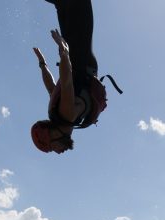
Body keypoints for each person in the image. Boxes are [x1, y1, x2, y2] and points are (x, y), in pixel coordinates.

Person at [31, 0, 99, 154]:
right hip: (79, 61)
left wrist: (48, 60)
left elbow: (59, 84)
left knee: (65, 5)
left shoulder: (64, 115)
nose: (57, 151)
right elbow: (61, 84)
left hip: (78, 61)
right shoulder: (66, 117)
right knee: (68, 5)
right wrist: (62, 53)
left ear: (52, 134)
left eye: (52, 147)